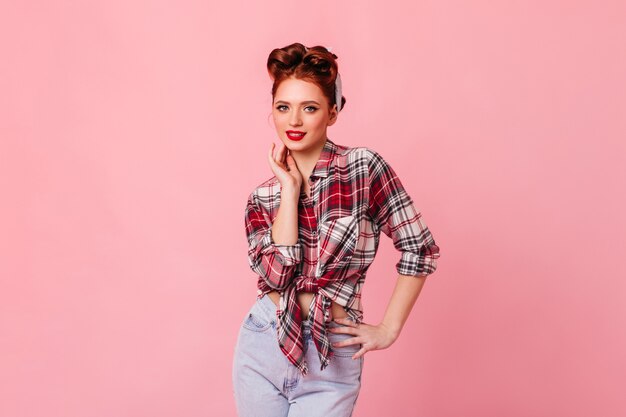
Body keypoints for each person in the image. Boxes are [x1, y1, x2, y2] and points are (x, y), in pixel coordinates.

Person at [232, 42, 441, 417]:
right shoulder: (262, 197)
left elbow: (420, 248)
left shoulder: (363, 168)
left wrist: (389, 328)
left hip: (334, 353)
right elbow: (278, 275)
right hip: (263, 342)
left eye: (308, 108)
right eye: (283, 107)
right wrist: (290, 189)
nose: (293, 121)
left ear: (332, 112)